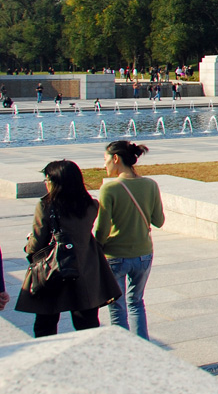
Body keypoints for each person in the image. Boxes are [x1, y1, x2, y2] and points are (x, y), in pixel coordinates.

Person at [15, 160, 121, 337]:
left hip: (53, 270)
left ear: (56, 182)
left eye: (47, 179)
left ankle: (49, 360)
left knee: (45, 324)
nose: (46, 183)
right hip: (85, 268)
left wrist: (28, 246)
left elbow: (37, 242)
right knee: (87, 323)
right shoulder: (90, 204)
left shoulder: (46, 205)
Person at [96, 141, 165, 340]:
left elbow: (102, 229)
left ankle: (123, 349)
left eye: (105, 160)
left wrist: (96, 248)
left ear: (115, 158)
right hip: (144, 254)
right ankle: (142, 347)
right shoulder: (151, 184)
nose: (104, 165)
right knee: (136, 302)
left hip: (116, 256)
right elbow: (159, 221)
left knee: (117, 306)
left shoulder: (110, 189)